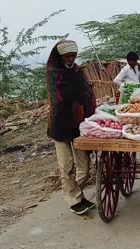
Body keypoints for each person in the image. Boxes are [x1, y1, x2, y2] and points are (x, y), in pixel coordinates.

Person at [46, 39, 96, 215]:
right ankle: (73, 199)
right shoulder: (54, 73)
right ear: (60, 56)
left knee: (84, 166)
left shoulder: (77, 71)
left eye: (73, 56)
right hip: (60, 126)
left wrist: (89, 114)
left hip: (78, 124)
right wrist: (76, 101)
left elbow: (87, 93)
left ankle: (78, 194)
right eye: (67, 56)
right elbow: (59, 98)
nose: (70, 59)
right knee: (66, 166)